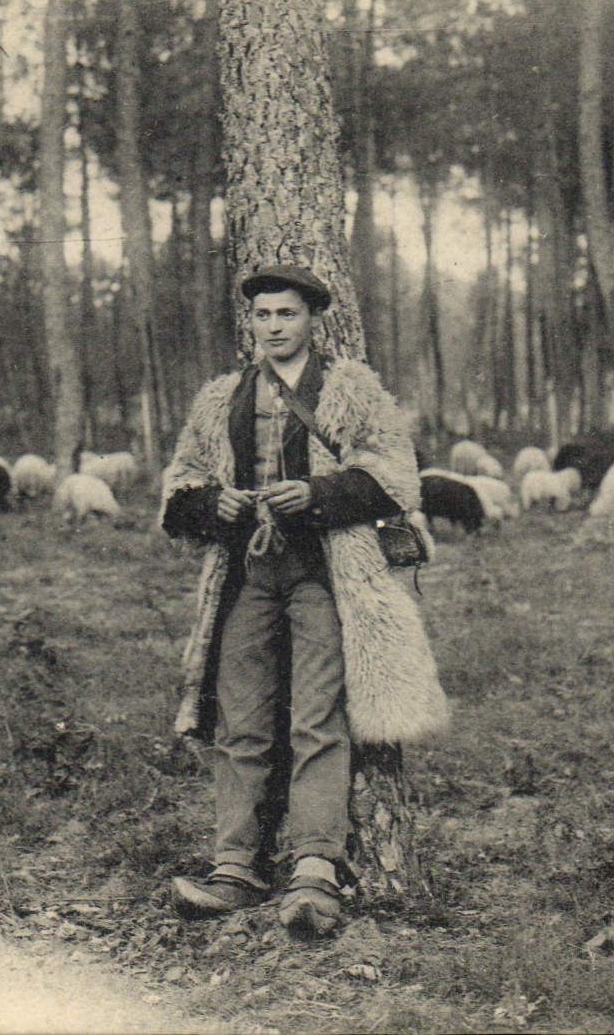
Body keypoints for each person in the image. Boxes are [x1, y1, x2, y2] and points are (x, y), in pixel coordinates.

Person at [159, 263, 447, 937]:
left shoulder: (351, 390)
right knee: (240, 721)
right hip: (246, 574)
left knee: (318, 717)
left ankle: (315, 871)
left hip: (323, 571)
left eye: (286, 314)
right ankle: (235, 867)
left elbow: (397, 477)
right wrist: (212, 503)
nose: (273, 327)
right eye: (262, 315)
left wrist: (318, 494)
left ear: (313, 320)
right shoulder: (221, 399)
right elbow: (180, 487)